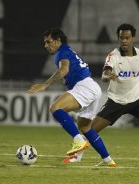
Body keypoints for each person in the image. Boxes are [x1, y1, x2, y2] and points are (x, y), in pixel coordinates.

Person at [70, 23, 139, 164]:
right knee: (91, 129)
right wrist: (108, 76)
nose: (124, 40)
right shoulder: (113, 56)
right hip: (116, 101)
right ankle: (77, 156)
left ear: (133, 38)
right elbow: (105, 73)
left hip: (137, 99)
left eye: (127, 38)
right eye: (121, 38)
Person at [27, 28, 116, 166]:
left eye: (48, 42)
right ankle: (107, 160)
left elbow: (64, 69)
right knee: (85, 128)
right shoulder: (67, 50)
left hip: (84, 86)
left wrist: (45, 84)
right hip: (92, 86)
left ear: (57, 41)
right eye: (44, 42)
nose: (46, 45)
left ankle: (78, 141)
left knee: (55, 108)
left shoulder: (61, 52)